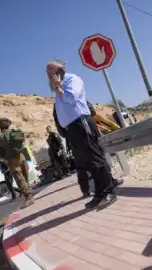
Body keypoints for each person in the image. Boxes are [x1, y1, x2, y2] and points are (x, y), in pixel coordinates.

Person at [47, 60, 120, 208]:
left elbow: (72, 99)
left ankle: (109, 191)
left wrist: (58, 88)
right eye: (47, 72)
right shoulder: (58, 88)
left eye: (51, 71)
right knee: (87, 163)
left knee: (95, 158)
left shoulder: (72, 79)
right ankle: (100, 194)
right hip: (72, 129)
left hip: (82, 123)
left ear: (60, 70)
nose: (48, 75)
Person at [0, 117, 35, 209]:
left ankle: (28, 197)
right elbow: (23, 143)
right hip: (21, 156)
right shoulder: (15, 132)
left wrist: (4, 155)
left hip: (12, 160)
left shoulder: (0, 136)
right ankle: (30, 193)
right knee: (25, 177)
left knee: (19, 178)